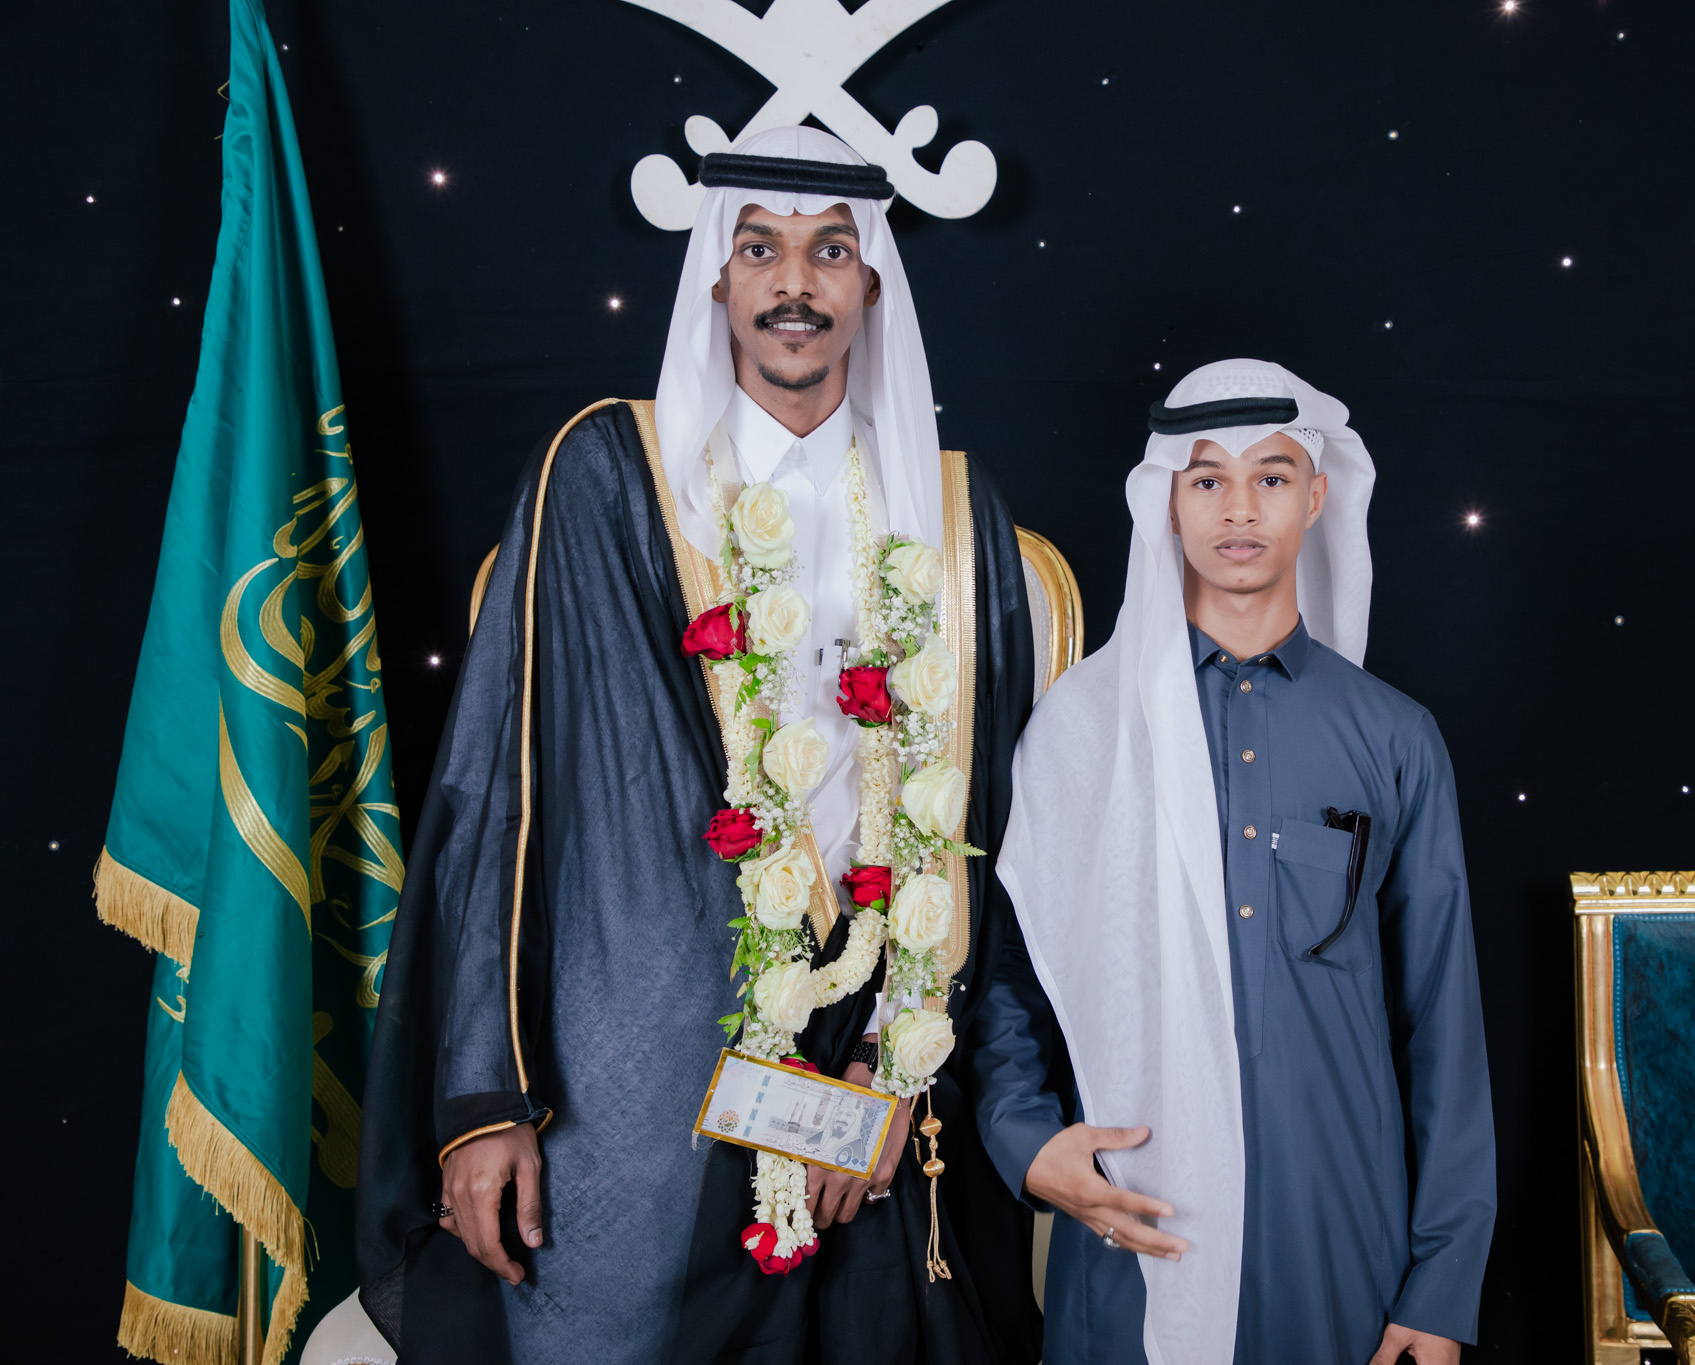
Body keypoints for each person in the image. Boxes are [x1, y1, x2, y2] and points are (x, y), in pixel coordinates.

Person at [356, 126, 1040, 1365]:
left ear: (869, 284)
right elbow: (501, 794)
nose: (795, 285)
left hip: (878, 1058)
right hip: (644, 1060)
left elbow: (982, 822)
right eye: (760, 250)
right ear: (716, 280)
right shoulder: (609, 479)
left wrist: (898, 1070)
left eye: (830, 252)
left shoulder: (948, 508)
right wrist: (483, 1097)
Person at [975, 360, 1496, 1364]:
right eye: (1208, 477)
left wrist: (1441, 1286)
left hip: (1338, 1227)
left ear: (1317, 495)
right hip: (1136, 1217)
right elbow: (1012, 969)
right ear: (1166, 502)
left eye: (1271, 476)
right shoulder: (1083, 727)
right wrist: (1025, 1141)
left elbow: (1443, 1026)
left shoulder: (1393, 735)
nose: (1239, 508)